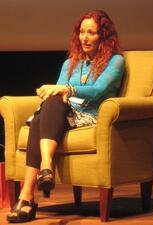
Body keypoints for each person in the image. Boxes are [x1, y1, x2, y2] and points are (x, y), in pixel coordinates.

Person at [7, 9, 125, 223]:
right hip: (65, 112)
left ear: (104, 36)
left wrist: (67, 90)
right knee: (50, 103)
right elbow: (59, 90)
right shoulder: (71, 62)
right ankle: (44, 170)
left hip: (91, 115)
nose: (85, 38)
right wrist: (54, 91)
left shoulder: (115, 61)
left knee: (42, 117)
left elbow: (99, 90)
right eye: (82, 32)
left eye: (92, 33)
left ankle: (28, 198)